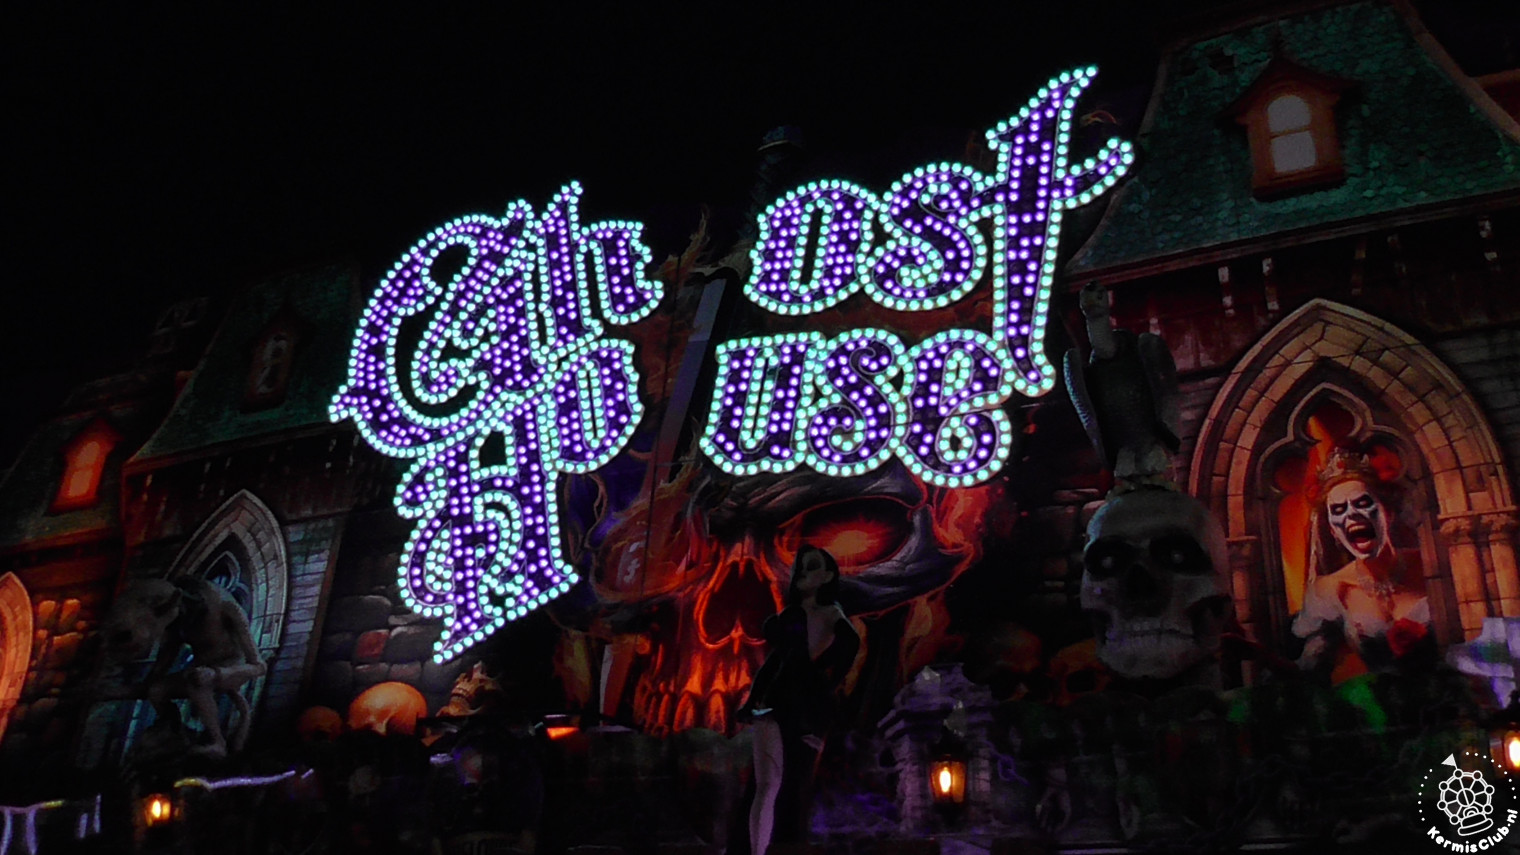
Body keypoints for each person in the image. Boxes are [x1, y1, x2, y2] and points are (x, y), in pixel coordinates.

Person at [737, 545, 860, 855]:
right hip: (776, 701)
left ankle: (785, 843)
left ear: (827, 575)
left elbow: (848, 646)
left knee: (796, 781)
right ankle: (757, 850)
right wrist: (753, 701)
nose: (802, 573)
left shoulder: (831, 614)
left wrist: (823, 679)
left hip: (805, 706)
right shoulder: (792, 615)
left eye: (812, 566)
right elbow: (776, 661)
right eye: (800, 567)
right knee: (767, 784)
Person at [1293, 450, 1431, 674]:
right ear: (1334, 531)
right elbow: (1308, 671)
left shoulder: (1430, 565)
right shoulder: (1331, 590)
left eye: (1362, 503)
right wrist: (1259, 654)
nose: (1351, 515)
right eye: (1338, 510)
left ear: (1388, 513)